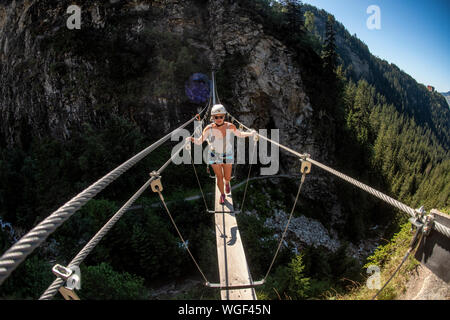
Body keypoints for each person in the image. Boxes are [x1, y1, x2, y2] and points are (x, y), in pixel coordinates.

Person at [188, 104, 256, 204]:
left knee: (227, 177)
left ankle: (227, 183)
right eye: (216, 117)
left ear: (224, 116)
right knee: (219, 177)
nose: (219, 119)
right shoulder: (208, 128)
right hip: (214, 155)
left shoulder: (230, 126)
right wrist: (191, 139)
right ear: (212, 117)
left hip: (227, 154)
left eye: (221, 116)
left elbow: (240, 134)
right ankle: (222, 194)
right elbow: (199, 141)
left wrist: (251, 133)